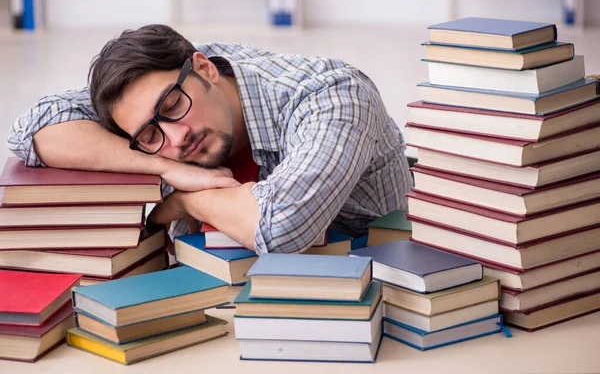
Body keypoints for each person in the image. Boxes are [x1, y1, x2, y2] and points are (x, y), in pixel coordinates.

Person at [7, 24, 412, 254]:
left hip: (368, 292)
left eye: (172, 105)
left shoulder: (332, 93)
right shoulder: (155, 100)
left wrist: (183, 200)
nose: (178, 138)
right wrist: (165, 168)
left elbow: (282, 228)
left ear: (205, 68)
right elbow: (31, 129)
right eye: (150, 134)